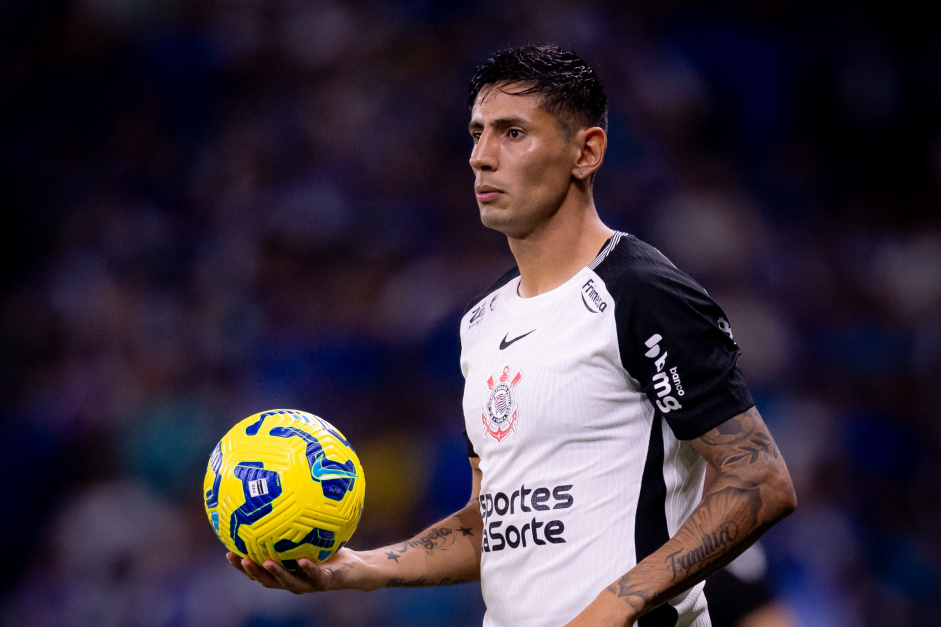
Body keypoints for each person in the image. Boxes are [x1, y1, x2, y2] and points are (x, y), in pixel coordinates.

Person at [227, 44, 797, 627]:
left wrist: (614, 605)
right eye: (477, 134)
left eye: (512, 133)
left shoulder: (643, 293)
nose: (481, 157)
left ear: (587, 151)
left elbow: (759, 478)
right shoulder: (482, 322)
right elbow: (489, 525)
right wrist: (357, 568)